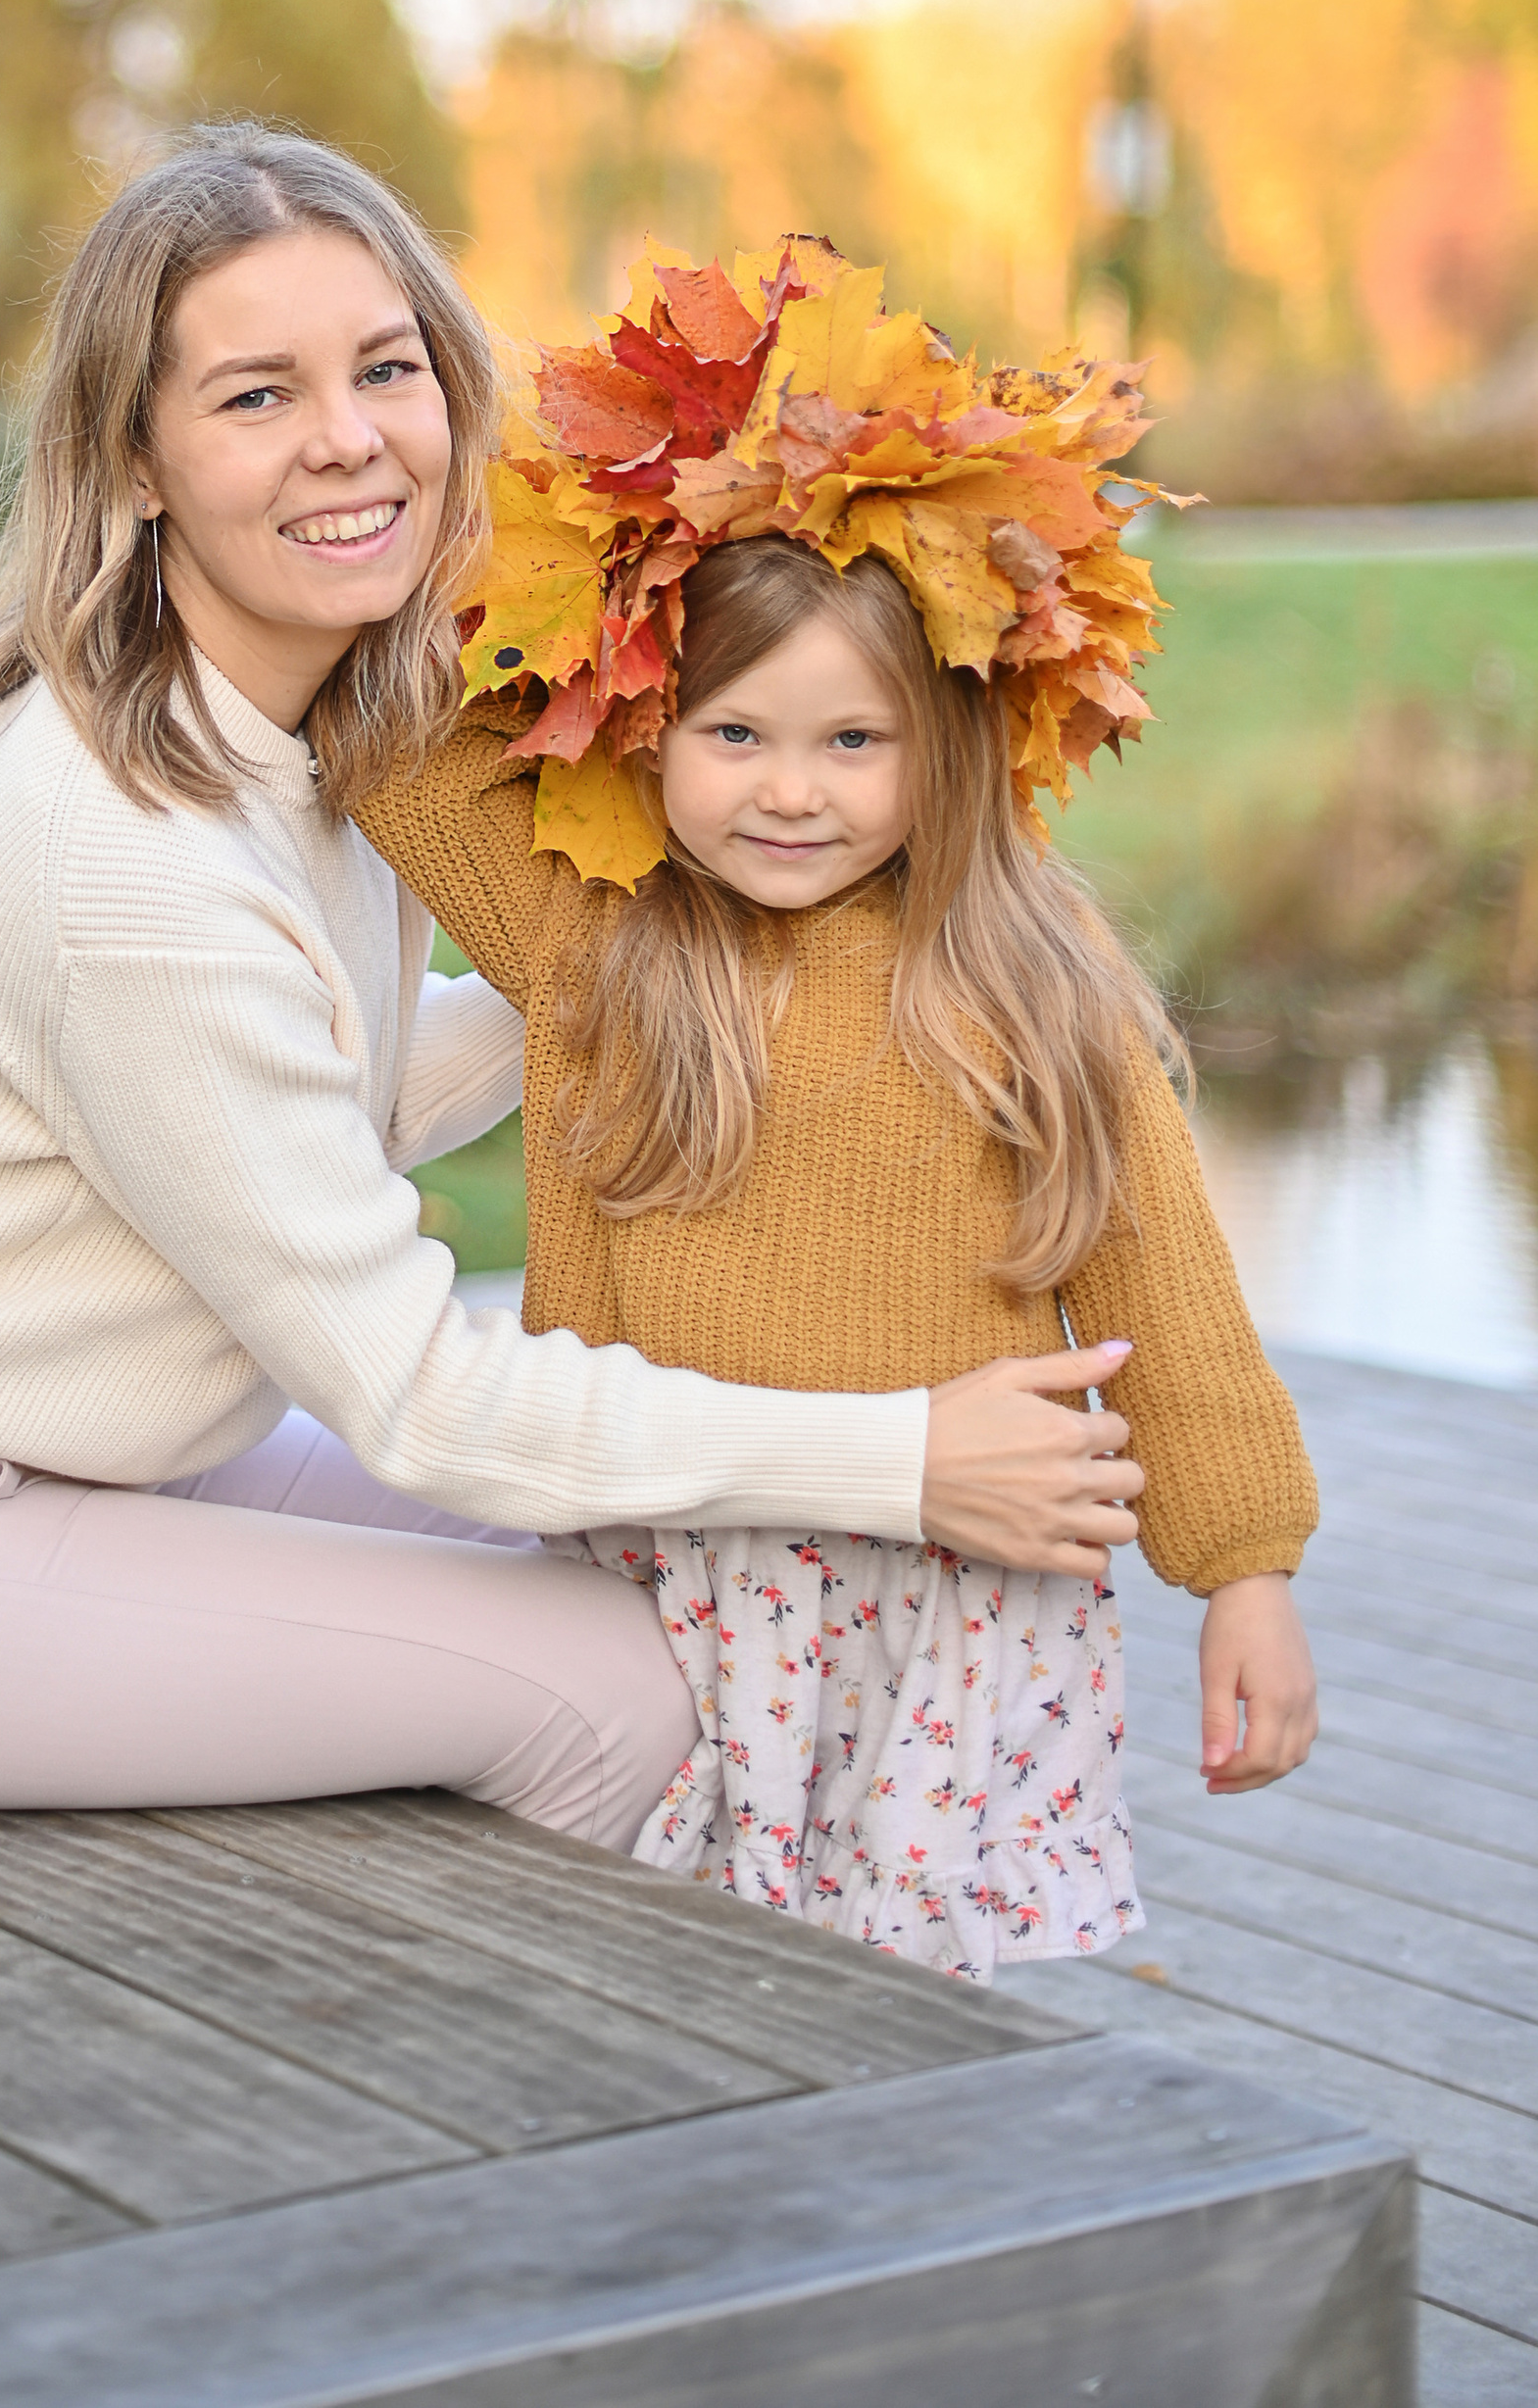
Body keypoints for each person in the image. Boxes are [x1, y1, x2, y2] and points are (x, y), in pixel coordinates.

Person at [0, 130, 1146, 1850]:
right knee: (619, 1693)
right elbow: (421, 1398)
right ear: (137, 461)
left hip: (97, 1468)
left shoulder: (288, 727)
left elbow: (301, 1085)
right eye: (256, 397)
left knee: (656, 1567)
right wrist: (907, 1456)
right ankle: (575, 2101)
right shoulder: (121, 859)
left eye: (385, 368)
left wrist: (705, 959)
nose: (347, 437)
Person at [356, 228, 1316, 1970]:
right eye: (735, 737)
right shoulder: (604, 940)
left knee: (918, 1999)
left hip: (960, 1604)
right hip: (682, 1584)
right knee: (673, 1981)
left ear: (944, 744)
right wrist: (503, 528)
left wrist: (1243, 1570)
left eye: (851, 743)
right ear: (651, 735)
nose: (789, 794)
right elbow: (393, 732)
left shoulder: (1029, 983)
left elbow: (1164, 1290)